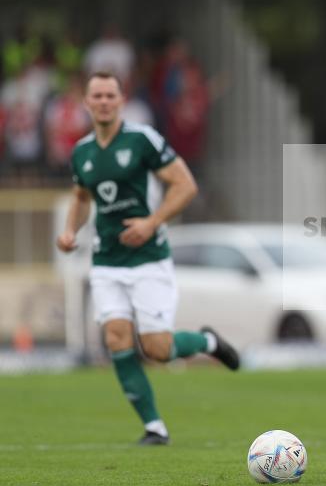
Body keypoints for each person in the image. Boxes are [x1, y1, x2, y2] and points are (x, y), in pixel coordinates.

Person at [56, 71, 240, 445]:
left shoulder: (142, 140)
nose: (104, 101)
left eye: (111, 95)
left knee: (156, 348)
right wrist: (70, 231)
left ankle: (206, 342)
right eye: (98, 96)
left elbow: (185, 184)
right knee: (116, 339)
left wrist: (151, 222)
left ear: (122, 100)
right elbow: (80, 197)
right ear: (87, 103)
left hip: (148, 258)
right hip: (106, 261)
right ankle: (154, 426)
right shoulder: (82, 152)